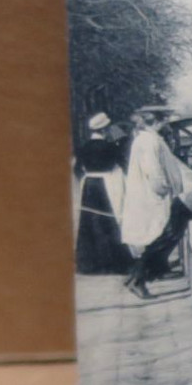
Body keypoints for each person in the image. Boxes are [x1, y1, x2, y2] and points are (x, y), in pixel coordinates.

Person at [120, 105, 188, 298]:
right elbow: (154, 171)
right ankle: (138, 279)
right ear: (157, 121)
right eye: (165, 119)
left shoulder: (147, 139)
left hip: (148, 196)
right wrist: (164, 190)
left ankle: (142, 274)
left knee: (159, 235)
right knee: (159, 237)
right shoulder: (150, 141)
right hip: (153, 198)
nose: (167, 122)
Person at [74, 112, 129, 274]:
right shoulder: (110, 147)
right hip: (106, 184)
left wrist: (84, 178)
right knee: (108, 220)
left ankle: (89, 263)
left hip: (89, 184)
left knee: (90, 221)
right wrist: (121, 140)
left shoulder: (83, 147)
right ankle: (112, 262)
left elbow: (77, 169)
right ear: (105, 130)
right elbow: (123, 162)